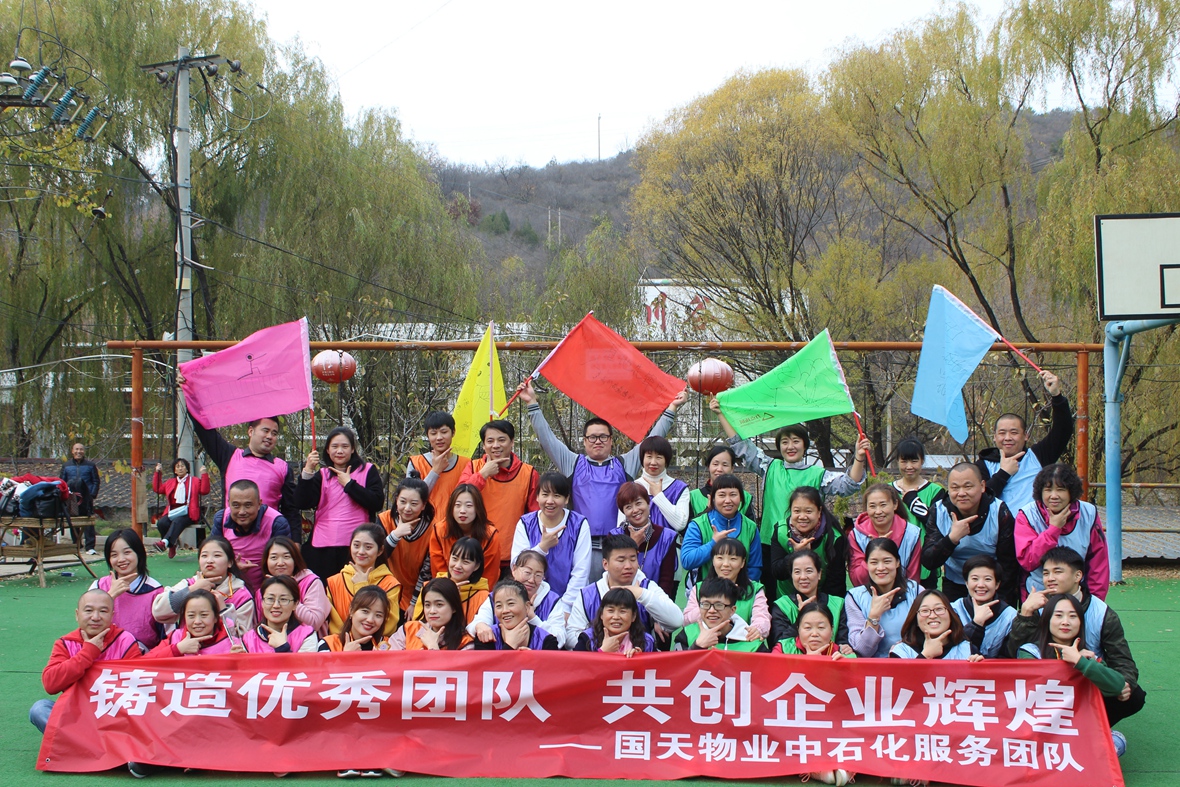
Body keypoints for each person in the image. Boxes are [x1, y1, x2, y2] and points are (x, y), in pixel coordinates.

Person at [520, 380, 686, 578]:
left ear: (611, 440)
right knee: (586, 594)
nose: (597, 441)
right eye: (592, 437)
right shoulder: (573, 463)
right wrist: (532, 403)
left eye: (603, 437)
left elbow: (653, 439)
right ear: (584, 441)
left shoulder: (624, 464)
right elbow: (547, 439)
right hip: (582, 545)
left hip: (615, 545)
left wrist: (672, 408)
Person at [716, 406, 869, 570]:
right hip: (770, 546)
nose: (790, 446)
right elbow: (741, 445)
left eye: (796, 441)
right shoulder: (770, 467)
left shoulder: (818, 474)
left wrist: (859, 457)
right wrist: (720, 414)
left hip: (809, 545)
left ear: (805, 445)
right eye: (785, 442)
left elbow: (848, 485)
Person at [1007, 547, 1145, 726]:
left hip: (1087, 680)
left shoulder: (1102, 613)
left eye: (1058, 572)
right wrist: (1025, 614)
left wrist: (1126, 684)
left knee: (1134, 696)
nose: (1050, 578)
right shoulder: (1035, 606)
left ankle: (1094, 728)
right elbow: (1013, 655)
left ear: (1078, 576)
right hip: (1046, 686)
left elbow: (1122, 659)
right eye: (1046, 573)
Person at [179, 369, 300, 526]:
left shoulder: (282, 468)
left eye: (274, 433)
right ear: (250, 431)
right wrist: (190, 391)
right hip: (232, 536)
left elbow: (291, 511)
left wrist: (292, 539)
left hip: (269, 536)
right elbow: (204, 429)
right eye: (265, 430)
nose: (270, 436)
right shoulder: (230, 456)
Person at [1016, 593, 1131, 757]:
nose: (1065, 622)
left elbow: (1118, 686)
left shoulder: (1086, 656)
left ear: (1080, 623)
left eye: (1072, 616)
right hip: (1038, 728)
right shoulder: (1030, 652)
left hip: (1077, 728)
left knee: (1118, 741)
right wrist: (1068, 665)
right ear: (1047, 620)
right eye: (1058, 615)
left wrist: (1081, 662)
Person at [30, 590, 143, 734]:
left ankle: (79, 743)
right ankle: (79, 743)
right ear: (77, 614)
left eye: (103, 611)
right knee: (39, 709)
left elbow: (137, 685)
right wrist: (88, 652)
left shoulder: (125, 640)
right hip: (76, 715)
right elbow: (50, 684)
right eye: (88, 610)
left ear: (112, 615)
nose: (95, 617)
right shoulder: (66, 643)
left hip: (114, 715)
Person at [975, 369, 1075, 511]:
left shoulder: (1038, 456)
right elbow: (979, 501)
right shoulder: (983, 464)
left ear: (1026, 435)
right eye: (1002, 433)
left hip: (1033, 524)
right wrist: (1004, 473)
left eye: (1014, 432)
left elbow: (1063, 430)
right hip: (997, 525)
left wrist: (1056, 395)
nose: (1008, 438)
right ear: (995, 437)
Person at [564, 534, 684, 649]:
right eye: (621, 560)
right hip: (599, 659)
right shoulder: (587, 595)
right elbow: (571, 636)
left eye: (633, 559)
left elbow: (677, 621)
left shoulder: (647, 587)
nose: (628, 566)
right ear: (605, 564)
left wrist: (641, 594)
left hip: (637, 658)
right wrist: (606, 647)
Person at [922, 463, 1018, 605]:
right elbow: (929, 561)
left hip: (992, 584)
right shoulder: (939, 511)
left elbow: (1009, 565)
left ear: (982, 486)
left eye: (968, 486)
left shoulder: (999, 512)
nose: (961, 493)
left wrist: (1002, 604)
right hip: (955, 582)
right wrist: (952, 539)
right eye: (955, 488)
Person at [298, 426, 384, 580]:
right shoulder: (323, 474)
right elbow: (302, 502)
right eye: (334, 446)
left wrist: (350, 485)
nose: (339, 451)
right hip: (323, 546)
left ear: (352, 449)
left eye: (345, 446)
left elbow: (377, 502)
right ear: (327, 450)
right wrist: (308, 471)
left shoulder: (367, 471)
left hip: (356, 546)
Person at [1015, 463, 1109, 599]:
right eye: (1048, 490)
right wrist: (1054, 529)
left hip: (1077, 594)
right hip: (1038, 594)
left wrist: (1094, 601)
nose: (1054, 496)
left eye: (1060, 489)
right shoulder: (1027, 515)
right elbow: (1028, 561)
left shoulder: (1089, 513)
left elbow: (1098, 563)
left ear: (1071, 492)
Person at [457, 419, 538, 570]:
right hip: (476, 555)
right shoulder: (473, 467)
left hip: (514, 557)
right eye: (490, 441)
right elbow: (458, 498)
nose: (495, 445)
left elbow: (534, 517)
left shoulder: (528, 473)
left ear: (512, 442)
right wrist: (482, 475)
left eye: (501, 440)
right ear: (483, 445)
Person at [511, 471, 592, 616]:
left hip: (568, 605)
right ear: (537, 497)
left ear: (566, 499)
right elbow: (517, 566)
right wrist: (542, 547)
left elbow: (581, 571)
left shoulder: (579, 524)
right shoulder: (525, 523)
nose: (550, 501)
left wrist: (566, 608)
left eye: (557, 495)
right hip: (529, 602)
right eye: (545, 494)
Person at [153, 535, 255, 635]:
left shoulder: (240, 594)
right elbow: (159, 612)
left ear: (230, 562)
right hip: (187, 644)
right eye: (204, 556)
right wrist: (192, 590)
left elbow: (244, 636)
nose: (209, 560)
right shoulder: (190, 584)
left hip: (223, 646)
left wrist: (224, 610)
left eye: (217, 555)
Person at [211, 479, 292, 592]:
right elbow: (211, 557)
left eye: (248, 505)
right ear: (228, 503)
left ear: (259, 504)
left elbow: (283, 564)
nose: (242, 511)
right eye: (236, 505)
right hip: (227, 588)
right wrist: (233, 568)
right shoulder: (221, 519)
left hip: (267, 589)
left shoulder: (276, 522)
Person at [89, 528, 165, 647]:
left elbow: (168, 638)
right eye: (114, 555)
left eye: (127, 552)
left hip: (143, 656)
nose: (121, 559)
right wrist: (110, 596)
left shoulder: (156, 592)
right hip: (104, 654)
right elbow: (87, 626)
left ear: (139, 553)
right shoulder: (98, 587)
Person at [846, 537, 921, 657]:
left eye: (887, 561)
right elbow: (862, 651)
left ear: (897, 562)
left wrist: (904, 647)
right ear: (866, 564)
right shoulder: (855, 597)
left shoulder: (915, 591)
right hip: (873, 666)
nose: (880, 568)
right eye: (874, 562)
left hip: (911, 661)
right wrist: (874, 616)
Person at [681, 474, 762, 582]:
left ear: (741, 498)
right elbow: (687, 561)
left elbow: (755, 567)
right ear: (713, 499)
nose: (728, 500)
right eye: (722, 495)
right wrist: (713, 543)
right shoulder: (698, 524)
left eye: (733, 494)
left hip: (740, 590)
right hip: (706, 589)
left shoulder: (750, 527)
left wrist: (743, 589)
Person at [769, 486, 847, 600]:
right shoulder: (781, 531)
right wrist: (796, 554)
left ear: (819, 512)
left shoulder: (833, 537)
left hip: (823, 602)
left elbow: (836, 583)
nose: (802, 517)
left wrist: (819, 606)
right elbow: (777, 572)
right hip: (787, 601)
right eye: (797, 511)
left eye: (808, 511)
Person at [683, 538, 769, 641]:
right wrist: (710, 603)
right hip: (703, 643)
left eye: (733, 559)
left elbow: (762, 617)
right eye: (720, 558)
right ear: (713, 560)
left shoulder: (754, 589)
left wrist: (757, 629)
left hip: (740, 644)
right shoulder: (699, 587)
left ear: (742, 562)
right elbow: (686, 620)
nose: (726, 564)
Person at [469, 550, 564, 643]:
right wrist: (480, 625)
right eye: (527, 573)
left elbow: (560, 639)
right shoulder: (497, 596)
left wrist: (533, 618)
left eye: (538, 575)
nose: (531, 580)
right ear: (514, 570)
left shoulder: (552, 601)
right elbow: (474, 625)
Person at [326, 523, 401, 636]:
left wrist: (362, 586)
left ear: (380, 550)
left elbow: (389, 627)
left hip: (375, 645)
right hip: (340, 643)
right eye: (356, 545)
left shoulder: (390, 584)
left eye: (368, 547)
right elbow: (334, 625)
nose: (361, 551)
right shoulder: (334, 582)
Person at [891, 437, 945, 589]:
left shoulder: (936, 491)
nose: (909, 466)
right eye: (904, 461)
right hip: (893, 561)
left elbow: (938, 525)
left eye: (914, 461)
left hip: (924, 563)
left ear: (922, 461)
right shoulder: (888, 491)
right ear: (897, 461)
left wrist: (912, 501)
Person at [378, 478, 435, 616]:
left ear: (423, 505)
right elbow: (376, 558)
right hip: (384, 588)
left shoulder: (434, 529)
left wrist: (415, 602)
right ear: (396, 500)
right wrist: (396, 534)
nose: (407, 508)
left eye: (414, 503)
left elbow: (427, 570)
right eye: (403, 501)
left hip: (416, 593)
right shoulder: (384, 520)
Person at [610, 482, 678, 598]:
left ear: (648, 503)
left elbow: (666, 582)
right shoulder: (614, 536)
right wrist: (633, 545)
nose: (635, 510)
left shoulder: (667, 537)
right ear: (623, 512)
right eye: (628, 507)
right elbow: (612, 577)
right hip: (622, 602)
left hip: (656, 602)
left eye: (638, 503)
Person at [769, 550, 850, 647]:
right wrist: (800, 617)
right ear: (791, 575)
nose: (803, 577)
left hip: (830, 656)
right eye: (797, 572)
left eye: (809, 571)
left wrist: (844, 647)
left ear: (819, 574)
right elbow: (780, 645)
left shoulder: (837, 604)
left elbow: (842, 643)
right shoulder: (782, 606)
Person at [848, 483, 922, 587]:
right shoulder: (856, 536)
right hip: (868, 593)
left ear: (895, 504)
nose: (878, 511)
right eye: (872, 506)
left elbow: (913, 579)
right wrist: (873, 551)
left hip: (903, 592)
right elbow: (857, 579)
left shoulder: (911, 534)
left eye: (883, 505)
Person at [428, 484, 501, 588]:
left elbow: (489, 576)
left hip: (477, 590)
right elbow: (438, 571)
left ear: (478, 508)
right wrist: (451, 590)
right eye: (457, 505)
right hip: (446, 589)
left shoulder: (490, 535)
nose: (462, 510)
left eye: (469, 506)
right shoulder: (439, 530)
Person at [406, 411, 472, 524]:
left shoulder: (467, 463)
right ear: (428, 435)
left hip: (456, 526)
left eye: (444, 432)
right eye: (433, 433)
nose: (439, 437)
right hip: (423, 527)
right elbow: (411, 499)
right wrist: (435, 471)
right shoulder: (416, 463)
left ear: (453, 432)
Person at [256, 536, 330, 634]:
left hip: (308, 641)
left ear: (295, 560)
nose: (280, 563)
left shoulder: (311, 582)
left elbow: (314, 623)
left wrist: (286, 589)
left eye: (286, 557)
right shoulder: (262, 591)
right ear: (266, 561)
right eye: (274, 557)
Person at [673, 577, 769, 652]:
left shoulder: (751, 641)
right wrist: (697, 646)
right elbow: (675, 667)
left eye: (719, 605)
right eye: (705, 604)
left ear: (732, 610)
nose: (711, 610)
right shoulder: (687, 634)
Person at [950, 555, 1016, 658]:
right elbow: (952, 650)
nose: (981, 585)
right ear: (966, 583)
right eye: (975, 579)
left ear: (997, 584)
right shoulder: (953, 610)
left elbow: (1008, 656)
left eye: (987, 579)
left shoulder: (1010, 616)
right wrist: (976, 624)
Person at [889, 589, 983, 660]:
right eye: (925, 611)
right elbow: (899, 680)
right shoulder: (902, 652)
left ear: (950, 614)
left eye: (939, 609)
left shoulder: (967, 649)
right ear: (915, 619)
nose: (933, 616)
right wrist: (926, 656)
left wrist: (976, 668)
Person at [413, 537, 490, 624]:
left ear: (476, 566)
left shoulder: (484, 597)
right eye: (454, 558)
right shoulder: (429, 588)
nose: (457, 566)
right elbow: (417, 624)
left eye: (465, 562)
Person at [473, 579, 560, 650]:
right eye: (499, 606)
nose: (505, 611)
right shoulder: (486, 637)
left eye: (511, 604)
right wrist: (510, 645)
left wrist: (532, 659)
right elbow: (486, 667)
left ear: (527, 607)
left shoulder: (547, 640)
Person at [241, 575, 320, 653]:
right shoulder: (248, 639)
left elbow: (306, 662)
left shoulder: (307, 635)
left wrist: (282, 648)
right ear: (262, 602)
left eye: (283, 599)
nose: (276, 605)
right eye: (270, 599)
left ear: (295, 604)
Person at [391, 577, 474, 650]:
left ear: (454, 607)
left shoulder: (465, 643)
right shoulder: (408, 630)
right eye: (427, 605)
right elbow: (391, 660)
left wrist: (433, 647)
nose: (432, 611)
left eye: (439, 604)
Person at [148, 589, 237, 656]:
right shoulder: (175, 638)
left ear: (216, 618)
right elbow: (144, 662)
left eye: (204, 615)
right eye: (191, 615)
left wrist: (236, 660)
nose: (197, 621)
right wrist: (178, 649)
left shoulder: (232, 641)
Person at [151, 458, 211, 558]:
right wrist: (158, 473)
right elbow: (158, 488)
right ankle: (172, 544)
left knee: (177, 521)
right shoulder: (170, 482)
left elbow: (204, 491)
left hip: (188, 513)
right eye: (177, 467)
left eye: (182, 466)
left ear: (187, 469)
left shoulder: (194, 481)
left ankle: (164, 542)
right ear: (175, 470)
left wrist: (204, 474)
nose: (180, 468)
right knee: (161, 523)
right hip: (173, 512)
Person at [572, 587, 655, 655]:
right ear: (601, 614)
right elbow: (576, 667)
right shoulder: (587, 639)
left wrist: (640, 659)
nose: (616, 617)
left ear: (633, 616)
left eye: (623, 611)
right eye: (610, 611)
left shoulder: (646, 642)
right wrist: (602, 651)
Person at [319, 586, 393, 652]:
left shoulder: (390, 645)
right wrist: (345, 657)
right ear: (351, 610)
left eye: (378, 615)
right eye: (365, 611)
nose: (370, 620)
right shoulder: (328, 644)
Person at [772, 601, 853, 659]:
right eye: (808, 627)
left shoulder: (843, 654)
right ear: (798, 629)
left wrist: (841, 666)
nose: (814, 634)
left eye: (821, 627)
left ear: (832, 630)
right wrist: (809, 662)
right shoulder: (783, 649)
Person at [61, 442, 100, 554]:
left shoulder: (90, 465)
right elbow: (62, 482)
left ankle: (90, 546)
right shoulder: (66, 466)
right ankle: (77, 544)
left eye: (81, 449)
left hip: (87, 497)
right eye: (76, 449)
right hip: (72, 498)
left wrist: (92, 495)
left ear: (84, 451)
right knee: (73, 521)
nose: (79, 452)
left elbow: (96, 481)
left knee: (88, 521)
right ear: (72, 451)